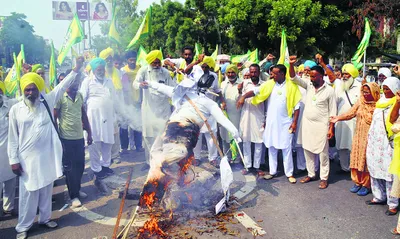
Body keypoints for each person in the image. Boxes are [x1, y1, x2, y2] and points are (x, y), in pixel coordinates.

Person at [141, 65, 241, 210]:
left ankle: (168, 197)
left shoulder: (206, 102)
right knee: (156, 158)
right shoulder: (182, 94)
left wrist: (235, 132)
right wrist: (149, 83)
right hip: (169, 132)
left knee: (166, 163)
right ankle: (151, 197)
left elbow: (222, 119)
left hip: (183, 137)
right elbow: (163, 88)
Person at [8, 58, 83, 239]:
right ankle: (23, 227)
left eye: (34, 88)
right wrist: (14, 160)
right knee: (29, 193)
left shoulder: (46, 101)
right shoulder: (16, 110)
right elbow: (12, 137)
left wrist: (76, 69)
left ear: (39, 89)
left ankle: (45, 218)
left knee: (46, 189)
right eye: (28, 89)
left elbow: (61, 85)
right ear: (23, 90)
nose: (31, 92)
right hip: (26, 159)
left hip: (47, 156)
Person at [237, 64, 301, 183]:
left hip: (285, 122)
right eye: (272, 73)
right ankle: (272, 171)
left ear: (282, 74)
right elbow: (255, 91)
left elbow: (297, 107)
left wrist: (294, 123)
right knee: (272, 147)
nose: (272, 75)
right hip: (271, 122)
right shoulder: (269, 84)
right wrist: (244, 96)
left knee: (286, 148)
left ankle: (289, 173)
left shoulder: (291, 86)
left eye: (275, 73)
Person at [289, 56, 337, 189]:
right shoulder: (309, 85)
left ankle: (324, 178)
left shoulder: (329, 91)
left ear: (321, 76)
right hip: (307, 125)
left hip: (322, 126)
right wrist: (291, 65)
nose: (311, 79)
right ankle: (311, 174)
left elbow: (333, 112)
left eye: (314, 76)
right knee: (308, 151)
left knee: (323, 154)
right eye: (310, 76)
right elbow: (293, 78)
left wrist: (331, 129)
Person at [330, 82, 380, 196]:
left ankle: (366, 184)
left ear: (375, 92)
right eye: (364, 92)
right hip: (358, 136)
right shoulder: (360, 102)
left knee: (366, 161)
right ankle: (357, 182)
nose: (365, 94)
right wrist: (338, 118)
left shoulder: (379, 105)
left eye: (368, 92)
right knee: (356, 158)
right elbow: (350, 113)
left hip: (371, 137)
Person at [54, 70, 93, 208]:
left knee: (80, 165)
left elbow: (83, 114)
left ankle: (77, 189)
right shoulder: (60, 97)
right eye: (73, 82)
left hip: (78, 137)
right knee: (70, 168)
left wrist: (89, 132)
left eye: (77, 82)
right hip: (66, 138)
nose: (75, 85)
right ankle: (74, 196)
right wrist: (57, 138)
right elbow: (55, 116)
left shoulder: (80, 95)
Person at [365, 77, 400, 216]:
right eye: (384, 88)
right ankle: (378, 196)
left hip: (389, 143)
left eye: (388, 89)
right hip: (375, 142)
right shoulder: (380, 103)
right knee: (374, 169)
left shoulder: (397, 104)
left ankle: (393, 203)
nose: (385, 91)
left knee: (389, 174)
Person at [133, 50, 175, 166]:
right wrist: (140, 85)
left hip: (163, 109)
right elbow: (135, 84)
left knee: (162, 136)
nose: (156, 65)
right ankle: (150, 162)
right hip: (148, 110)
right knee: (148, 137)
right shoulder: (143, 71)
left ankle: (162, 162)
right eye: (154, 63)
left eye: (158, 63)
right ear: (150, 62)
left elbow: (172, 88)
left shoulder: (165, 72)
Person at [80, 58, 117, 179]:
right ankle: (96, 169)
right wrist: (82, 119)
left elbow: (114, 97)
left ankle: (105, 165)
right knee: (94, 143)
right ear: (94, 70)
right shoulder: (87, 81)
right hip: (93, 118)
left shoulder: (109, 80)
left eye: (102, 69)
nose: (101, 71)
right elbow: (82, 100)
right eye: (98, 69)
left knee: (108, 141)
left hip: (108, 116)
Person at [193, 56, 223, 166]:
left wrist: (222, 101)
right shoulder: (196, 74)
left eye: (207, 67)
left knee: (212, 134)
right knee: (197, 134)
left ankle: (213, 158)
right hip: (197, 109)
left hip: (210, 110)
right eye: (203, 66)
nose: (204, 69)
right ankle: (196, 157)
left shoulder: (214, 76)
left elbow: (218, 90)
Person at [236, 64, 266, 176]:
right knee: (246, 141)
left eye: (255, 72)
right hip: (246, 115)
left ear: (259, 72)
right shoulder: (244, 83)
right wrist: (239, 92)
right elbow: (239, 101)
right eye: (251, 72)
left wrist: (266, 117)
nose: (253, 74)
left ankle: (257, 166)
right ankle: (247, 165)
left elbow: (266, 102)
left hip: (259, 115)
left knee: (259, 142)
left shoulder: (264, 85)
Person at [333, 64, 362, 173]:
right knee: (341, 145)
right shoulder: (339, 86)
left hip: (354, 121)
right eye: (343, 74)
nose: (344, 76)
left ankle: (355, 167)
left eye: (347, 74)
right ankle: (344, 167)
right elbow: (334, 103)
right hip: (341, 122)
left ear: (353, 74)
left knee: (354, 145)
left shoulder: (359, 87)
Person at [99, 47, 123, 164]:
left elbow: (120, 91)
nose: (109, 61)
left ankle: (115, 154)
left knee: (115, 131)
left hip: (114, 107)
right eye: (106, 59)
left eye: (110, 59)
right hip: (101, 109)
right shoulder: (98, 73)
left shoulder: (117, 72)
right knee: (102, 133)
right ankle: (104, 157)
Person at [120, 51, 144, 153]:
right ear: (127, 61)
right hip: (126, 101)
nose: (133, 61)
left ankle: (138, 146)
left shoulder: (140, 69)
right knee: (124, 125)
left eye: (134, 59)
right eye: (130, 60)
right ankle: (125, 148)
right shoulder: (123, 71)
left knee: (137, 123)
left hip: (138, 100)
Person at [0, 81, 18, 217]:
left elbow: (25, 99)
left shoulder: (10, 104)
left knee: (10, 181)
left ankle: (8, 208)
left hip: (8, 152)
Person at [220, 64, 242, 164]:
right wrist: (222, 103)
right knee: (224, 136)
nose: (230, 74)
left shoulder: (241, 83)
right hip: (225, 114)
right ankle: (227, 158)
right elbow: (220, 96)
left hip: (237, 114)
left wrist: (240, 91)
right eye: (228, 72)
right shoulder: (223, 84)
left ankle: (237, 159)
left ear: (236, 73)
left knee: (236, 135)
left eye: (232, 72)